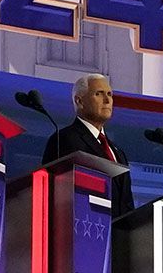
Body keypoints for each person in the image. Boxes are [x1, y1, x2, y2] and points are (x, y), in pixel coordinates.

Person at [40, 71, 133, 204]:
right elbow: (54, 193)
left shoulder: (118, 152)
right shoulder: (65, 140)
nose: (107, 100)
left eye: (109, 94)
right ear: (80, 101)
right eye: (98, 94)